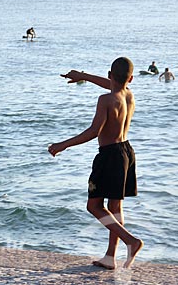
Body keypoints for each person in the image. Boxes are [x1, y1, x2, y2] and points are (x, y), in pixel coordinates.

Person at [48, 57, 143, 270]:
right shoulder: (129, 95)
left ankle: (131, 241)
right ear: (131, 78)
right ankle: (110, 257)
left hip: (109, 155)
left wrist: (63, 145)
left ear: (110, 75)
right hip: (126, 152)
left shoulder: (105, 100)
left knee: (94, 206)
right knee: (115, 206)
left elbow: (94, 132)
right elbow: (114, 85)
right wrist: (83, 76)